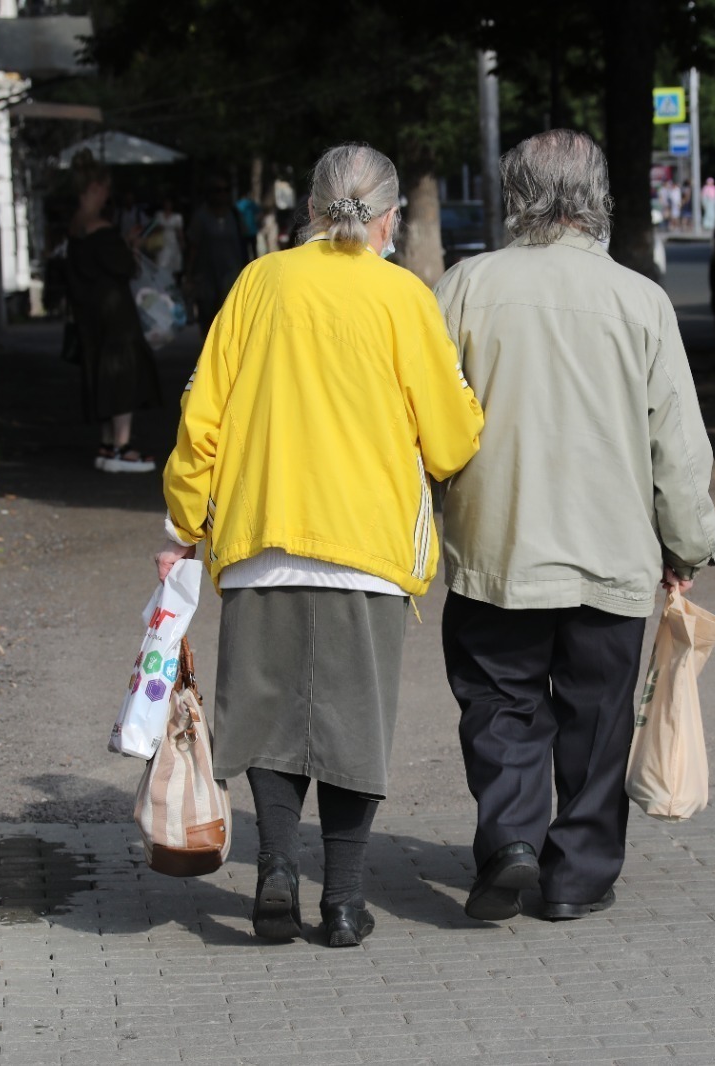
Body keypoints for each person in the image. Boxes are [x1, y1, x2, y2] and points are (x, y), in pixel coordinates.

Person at [157, 144, 484, 947]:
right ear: (387, 219)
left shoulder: (258, 285)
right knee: (353, 725)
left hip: (263, 534)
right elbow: (448, 440)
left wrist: (184, 526)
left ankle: (274, 869)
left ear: (310, 208)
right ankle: (342, 900)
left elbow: (202, 422)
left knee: (267, 714)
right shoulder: (405, 298)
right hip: (368, 547)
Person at [433, 130, 715, 923]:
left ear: (512, 194)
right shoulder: (642, 300)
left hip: (499, 546)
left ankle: (510, 842)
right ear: (597, 198)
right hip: (612, 552)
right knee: (597, 717)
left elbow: (417, 419)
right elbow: (678, 443)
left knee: (499, 701)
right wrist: (687, 544)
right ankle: (577, 878)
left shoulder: (463, 287)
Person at [65, 151, 162, 473]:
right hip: (115, 314)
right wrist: (130, 246)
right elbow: (122, 267)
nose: (107, 194)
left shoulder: (76, 226)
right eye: (104, 188)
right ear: (93, 187)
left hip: (90, 315)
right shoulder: (101, 229)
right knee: (124, 375)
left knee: (103, 373)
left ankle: (108, 443)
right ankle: (122, 447)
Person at [186, 177, 249, 337]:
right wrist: (188, 274)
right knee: (207, 316)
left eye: (225, 190)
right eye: (217, 190)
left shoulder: (235, 215)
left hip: (232, 274)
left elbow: (246, 242)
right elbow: (192, 246)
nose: (222, 194)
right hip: (206, 275)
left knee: (229, 316)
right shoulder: (201, 217)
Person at [147, 194, 185, 277]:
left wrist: (182, 243)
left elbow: (179, 232)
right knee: (161, 265)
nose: (167, 205)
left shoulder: (177, 217)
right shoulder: (158, 215)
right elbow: (152, 229)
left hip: (173, 244)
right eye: (166, 203)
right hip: (161, 242)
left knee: (172, 268)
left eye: (169, 203)